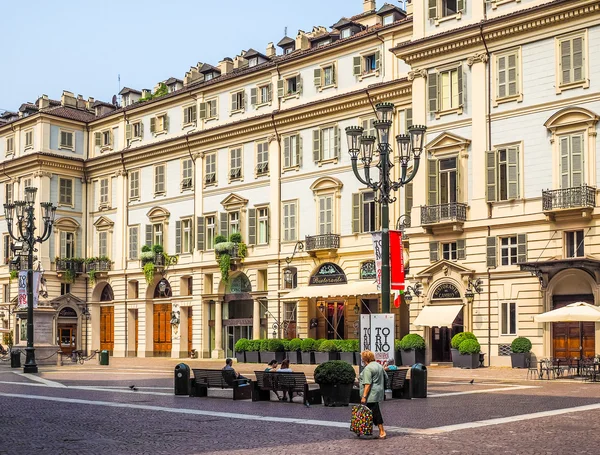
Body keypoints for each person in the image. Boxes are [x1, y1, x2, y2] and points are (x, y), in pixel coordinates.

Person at [359, 350, 387, 439]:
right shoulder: (379, 366)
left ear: (365, 359)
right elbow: (386, 378)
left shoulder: (368, 368)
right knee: (370, 412)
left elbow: (367, 384)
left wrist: (364, 396)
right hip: (378, 392)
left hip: (371, 394)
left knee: (375, 412)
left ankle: (382, 431)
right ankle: (363, 430)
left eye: (362, 358)